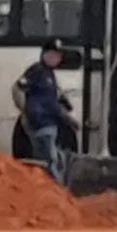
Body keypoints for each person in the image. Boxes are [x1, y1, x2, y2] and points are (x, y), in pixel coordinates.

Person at [17, 38, 79, 184]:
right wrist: (24, 112)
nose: (56, 58)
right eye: (52, 54)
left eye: (58, 55)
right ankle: (57, 192)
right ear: (44, 54)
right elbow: (17, 88)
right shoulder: (37, 71)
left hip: (50, 125)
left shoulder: (50, 75)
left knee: (51, 160)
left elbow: (53, 103)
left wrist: (67, 116)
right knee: (49, 163)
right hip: (41, 125)